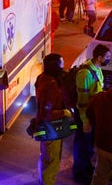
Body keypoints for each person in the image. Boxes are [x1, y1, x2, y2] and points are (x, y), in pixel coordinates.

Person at [73, 44, 111, 184]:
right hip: (85, 114)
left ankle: (86, 167)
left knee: (88, 145)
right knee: (82, 145)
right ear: (99, 57)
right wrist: (85, 121)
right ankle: (79, 173)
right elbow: (82, 101)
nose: (108, 59)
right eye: (107, 57)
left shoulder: (97, 69)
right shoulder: (85, 73)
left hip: (93, 113)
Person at [35, 53, 71, 185]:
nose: (64, 66)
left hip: (44, 127)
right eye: (61, 63)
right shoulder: (51, 85)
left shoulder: (41, 78)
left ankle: (43, 180)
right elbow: (47, 113)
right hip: (51, 128)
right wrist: (64, 112)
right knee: (52, 162)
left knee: (45, 157)